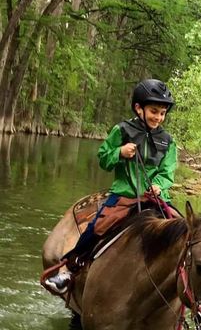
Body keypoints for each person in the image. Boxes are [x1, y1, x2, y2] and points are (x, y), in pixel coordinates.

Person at [45, 78, 178, 294]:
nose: (158, 117)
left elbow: (168, 171)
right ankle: (68, 271)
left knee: (183, 231)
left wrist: (158, 185)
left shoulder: (168, 141)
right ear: (138, 107)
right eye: (154, 111)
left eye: (162, 113)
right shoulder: (122, 130)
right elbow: (104, 158)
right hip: (124, 195)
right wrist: (119, 153)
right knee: (97, 227)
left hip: (156, 199)